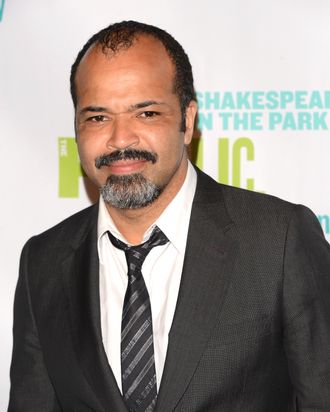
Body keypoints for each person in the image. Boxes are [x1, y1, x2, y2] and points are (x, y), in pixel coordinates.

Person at [8, 20, 330, 412]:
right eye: (97, 117)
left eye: (145, 113)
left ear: (187, 120)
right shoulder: (43, 260)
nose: (120, 139)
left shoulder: (278, 241)